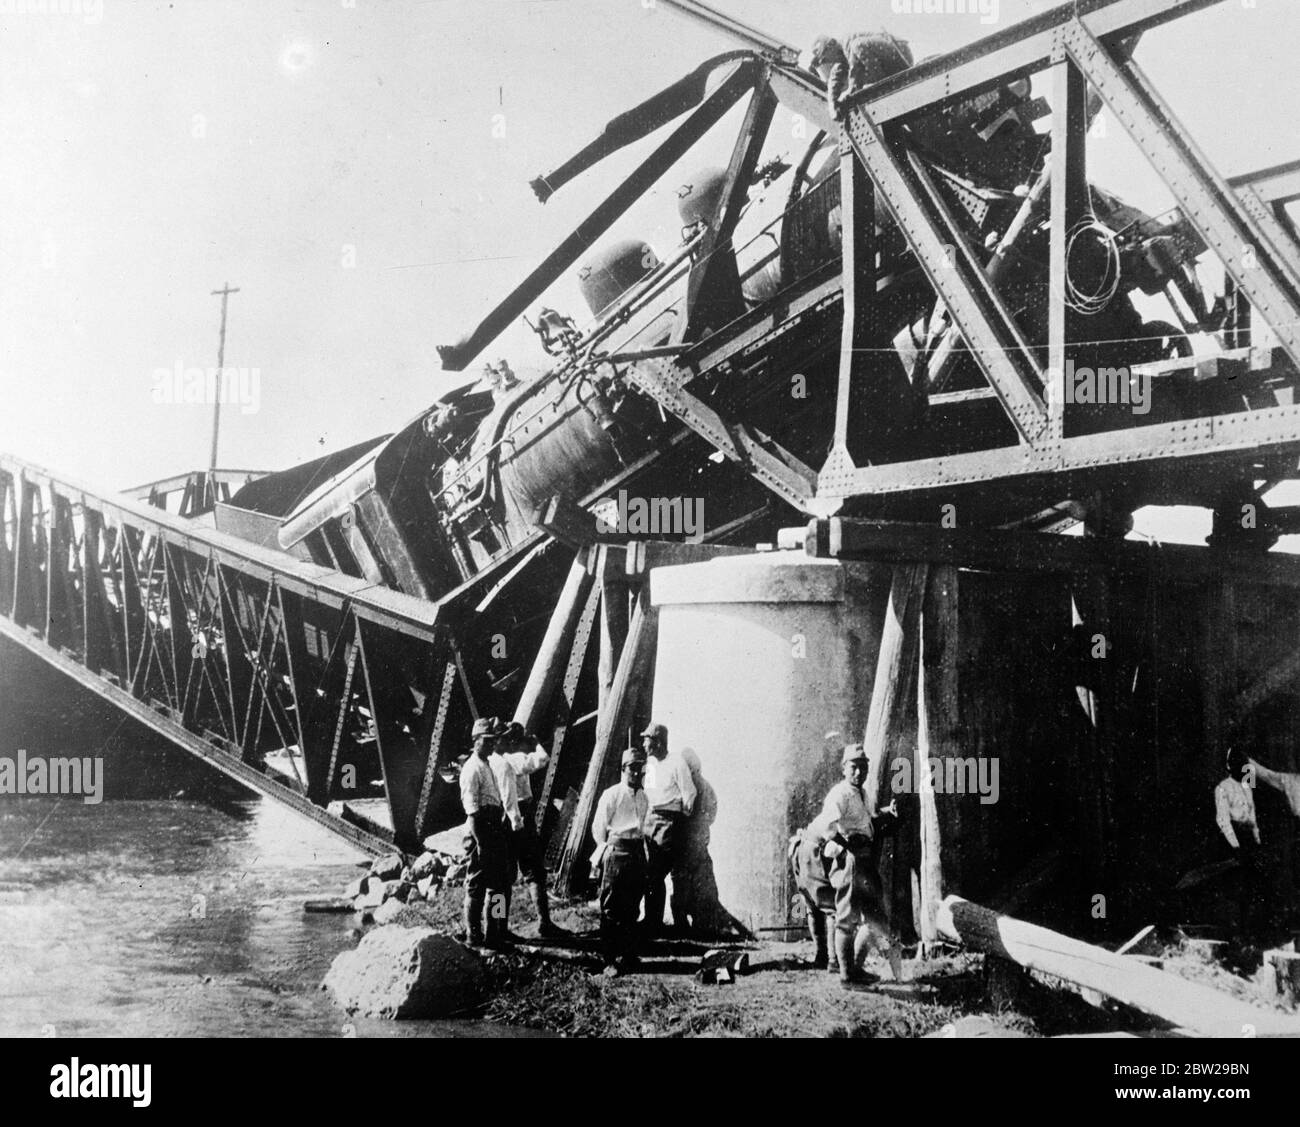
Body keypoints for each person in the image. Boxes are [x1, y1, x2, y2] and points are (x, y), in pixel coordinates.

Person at [794, 744, 902, 987]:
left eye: (862, 768)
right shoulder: (839, 794)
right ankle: (847, 976)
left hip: (864, 857)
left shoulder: (863, 793)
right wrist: (848, 846)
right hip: (850, 858)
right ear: (844, 769)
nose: (858, 773)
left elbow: (866, 820)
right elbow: (827, 827)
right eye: (853, 767)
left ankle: (855, 968)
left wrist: (887, 812)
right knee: (845, 917)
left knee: (875, 917)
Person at [496, 721, 562, 938]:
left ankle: (500, 927)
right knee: (534, 872)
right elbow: (542, 759)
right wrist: (535, 743)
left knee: (503, 878)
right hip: (520, 817)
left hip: (500, 821)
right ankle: (544, 923)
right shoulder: (514, 760)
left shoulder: (492, 761)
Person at [591, 748, 650, 975]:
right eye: (632, 768)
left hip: (636, 853)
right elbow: (598, 828)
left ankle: (627, 954)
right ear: (623, 769)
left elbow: (642, 828)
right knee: (612, 907)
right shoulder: (612, 794)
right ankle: (609, 960)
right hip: (617, 852)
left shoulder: (643, 797)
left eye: (640, 768)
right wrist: (604, 851)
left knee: (632, 906)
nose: (636, 773)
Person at [640, 722, 696, 936]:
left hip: (669, 822)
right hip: (650, 819)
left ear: (659, 742)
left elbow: (689, 793)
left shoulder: (676, 763)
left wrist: (679, 819)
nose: (644, 744)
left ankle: (660, 922)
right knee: (649, 872)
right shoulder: (651, 763)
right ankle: (651, 920)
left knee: (657, 872)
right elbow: (649, 792)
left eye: (647, 740)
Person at [458, 716, 510, 947]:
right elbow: (473, 813)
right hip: (480, 831)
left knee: (498, 885)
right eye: (486, 741)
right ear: (475, 740)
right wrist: (482, 844)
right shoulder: (471, 769)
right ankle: (474, 934)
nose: (491, 744)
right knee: (477, 885)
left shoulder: (486, 765)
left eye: (493, 740)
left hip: (493, 827)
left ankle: (495, 934)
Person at [678, 746, 725, 935]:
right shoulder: (706, 786)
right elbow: (712, 812)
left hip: (688, 841)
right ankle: (700, 922)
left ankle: (686, 924)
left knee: (684, 883)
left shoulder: (690, 786)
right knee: (702, 883)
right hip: (699, 840)